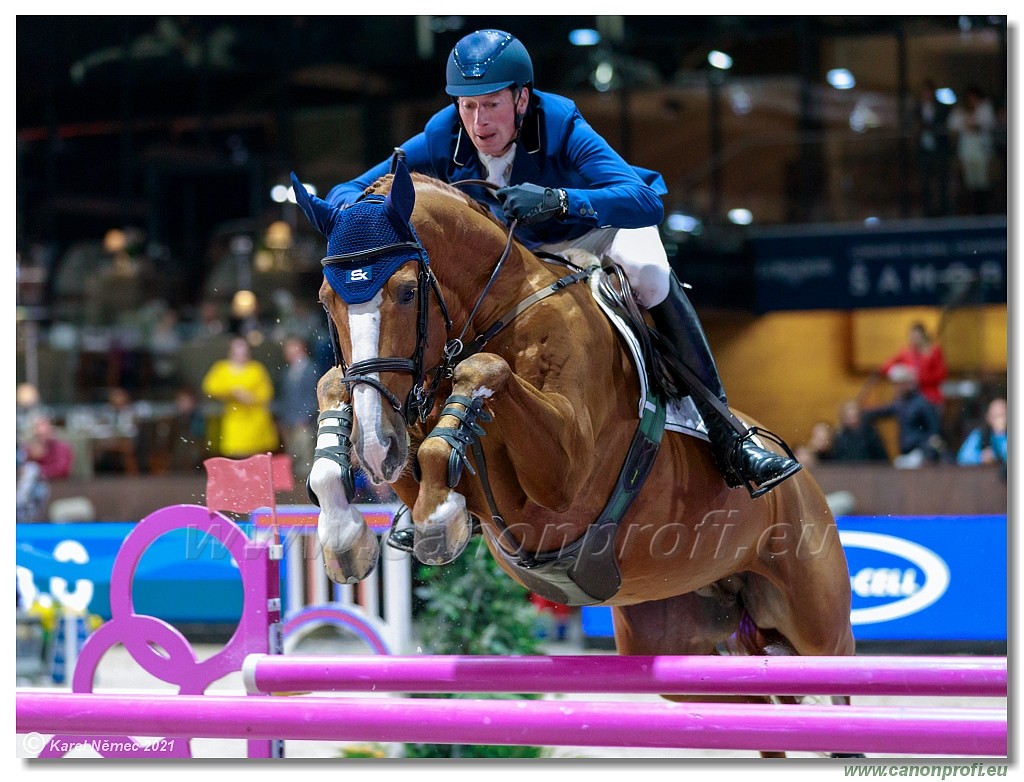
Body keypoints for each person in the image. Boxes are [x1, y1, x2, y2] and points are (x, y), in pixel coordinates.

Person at [325, 28, 800, 503]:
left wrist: (560, 199)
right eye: (468, 106)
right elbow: (347, 191)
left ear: (521, 98)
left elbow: (643, 200)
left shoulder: (559, 123)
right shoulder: (442, 133)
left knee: (651, 275)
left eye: (490, 104)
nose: (478, 121)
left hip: (593, 229)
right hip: (521, 254)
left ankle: (728, 435)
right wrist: (360, 216)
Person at [201, 335, 280, 458]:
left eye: (244, 350)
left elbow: (267, 393)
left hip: (255, 419)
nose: (241, 354)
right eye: (237, 350)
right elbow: (209, 387)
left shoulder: (256, 369)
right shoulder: (221, 368)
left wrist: (250, 398)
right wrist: (232, 392)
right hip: (234, 418)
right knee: (236, 456)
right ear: (230, 352)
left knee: (256, 457)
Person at [861, 365, 943, 469]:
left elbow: (935, 431)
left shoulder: (923, 404)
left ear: (909, 384)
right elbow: (882, 411)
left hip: (920, 452)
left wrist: (928, 453)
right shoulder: (900, 403)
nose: (895, 388)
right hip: (906, 453)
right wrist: (861, 412)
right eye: (894, 384)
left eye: (899, 384)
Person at [275, 336, 321, 480]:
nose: (286, 352)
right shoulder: (287, 371)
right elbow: (286, 397)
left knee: (305, 458)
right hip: (290, 420)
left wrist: (306, 416)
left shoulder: (310, 368)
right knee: (293, 456)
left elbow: (313, 396)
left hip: (304, 421)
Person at [947, 85, 997, 215]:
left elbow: (981, 126)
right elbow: (954, 128)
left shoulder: (985, 109)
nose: (972, 101)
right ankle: (971, 212)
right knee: (969, 183)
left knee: (983, 182)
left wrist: (970, 125)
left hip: (982, 152)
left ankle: (984, 211)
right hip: (967, 152)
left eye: (974, 98)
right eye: (969, 98)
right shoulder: (959, 111)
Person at [879, 322, 948, 412]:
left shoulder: (933, 351)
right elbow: (885, 367)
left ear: (923, 336)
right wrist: (901, 373)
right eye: (912, 337)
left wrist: (918, 377)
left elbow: (941, 374)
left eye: (917, 337)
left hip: (930, 397)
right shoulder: (906, 353)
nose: (914, 340)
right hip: (909, 398)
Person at [914, 78, 952, 217]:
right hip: (924, 150)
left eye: (927, 92)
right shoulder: (917, 108)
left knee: (942, 182)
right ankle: (927, 212)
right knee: (925, 183)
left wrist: (929, 127)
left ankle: (944, 212)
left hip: (939, 150)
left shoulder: (942, 107)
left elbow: (944, 125)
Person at [957, 397, 1007, 469]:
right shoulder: (980, 434)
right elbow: (962, 457)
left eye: (1002, 415)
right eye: (995, 415)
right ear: (988, 417)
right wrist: (981, 457)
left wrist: (1000, 435)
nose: (1000, 419)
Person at [23, 413, 74, 480]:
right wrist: (32, 457)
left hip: (59, 484)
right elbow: (23, 467)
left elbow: (62, 470)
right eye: (39, 435)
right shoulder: (32, 448)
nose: (41, 436)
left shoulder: (62, 447)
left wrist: (40, 470)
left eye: (44, 432)